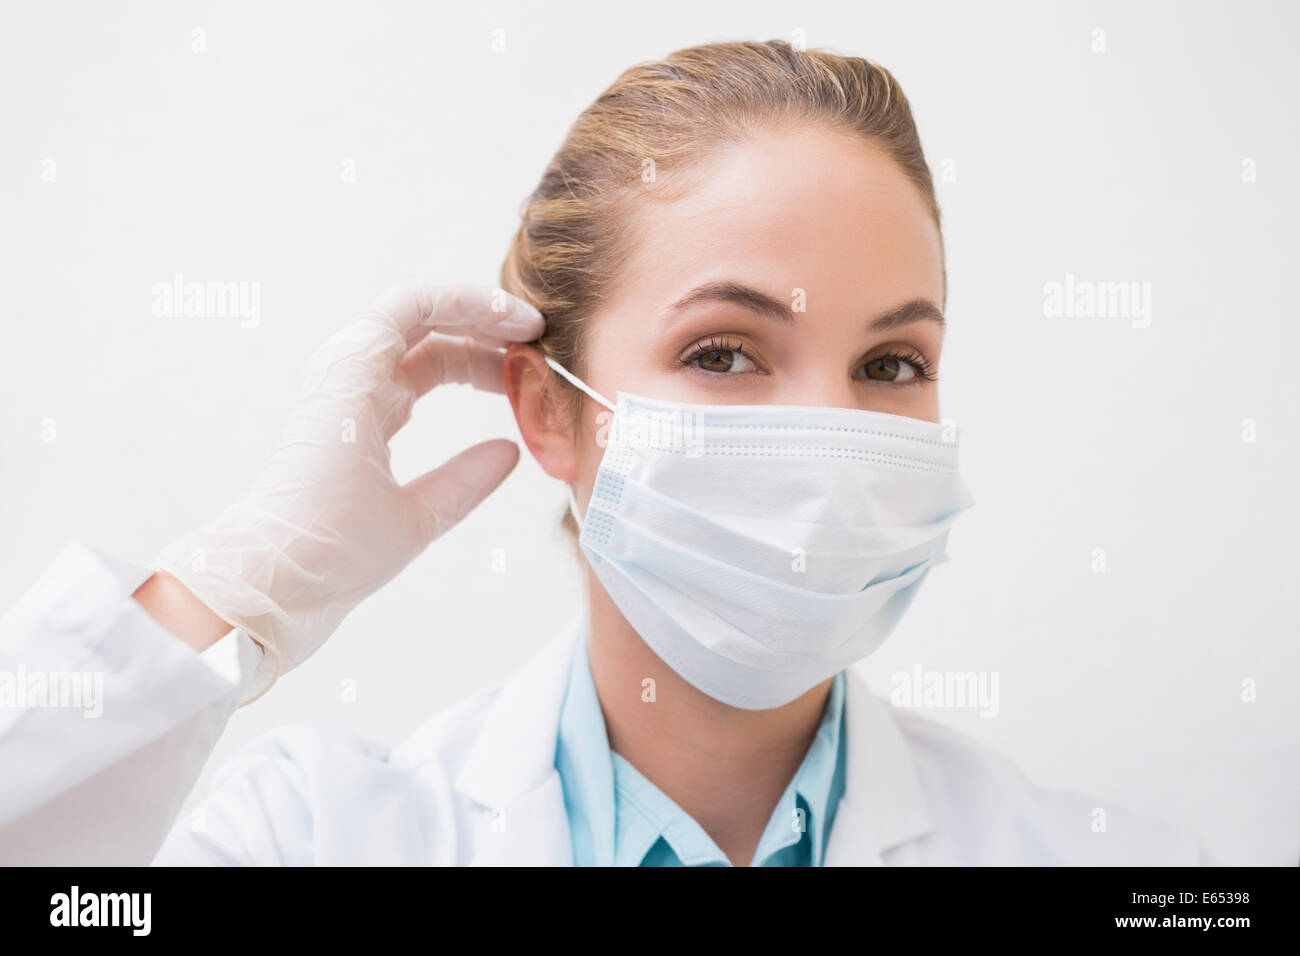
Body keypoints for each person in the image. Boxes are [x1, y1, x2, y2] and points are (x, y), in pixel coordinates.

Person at [0, 40, 1208, 866]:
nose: (826, 437)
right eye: (725, 352)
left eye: (890, 365)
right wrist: (225, 593)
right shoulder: (318, 835)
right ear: (548, 408)